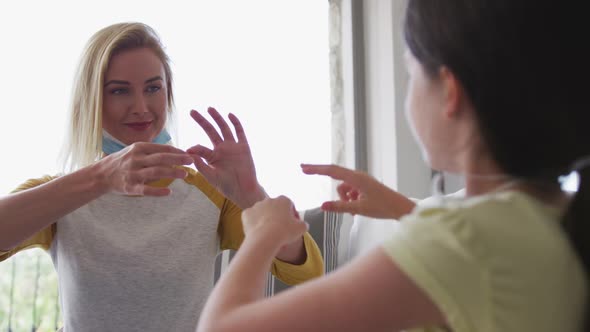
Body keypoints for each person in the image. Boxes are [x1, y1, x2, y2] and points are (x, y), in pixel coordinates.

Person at [196, 1, 589, 331]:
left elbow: (223, 327)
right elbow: (489, 258)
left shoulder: (462, 240)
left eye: (410, 73)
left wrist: (263, 234)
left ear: (450, 91)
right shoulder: (555, 207)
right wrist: (401, 207)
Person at [0, 22, 323, 331]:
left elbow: (305, 271)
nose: (141, 107)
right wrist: (100, 179)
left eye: (153, 88)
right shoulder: (64, 194)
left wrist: (252, 195)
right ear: (92, 100)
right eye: (119, 91)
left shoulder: (208, 192)